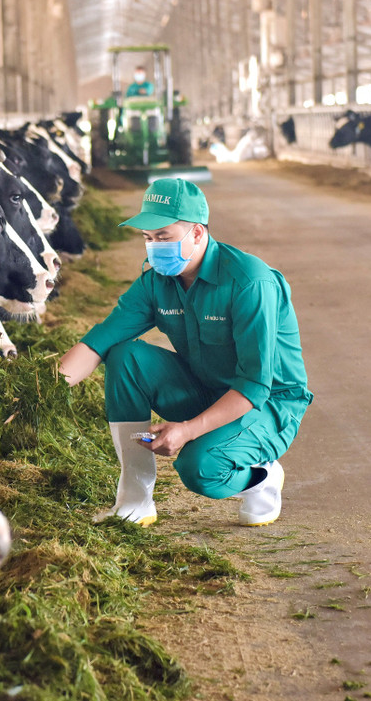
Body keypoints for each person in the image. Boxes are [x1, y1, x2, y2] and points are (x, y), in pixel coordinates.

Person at [59, 178, 312, 527]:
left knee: (199, 468)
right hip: (205, 387)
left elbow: (255, 385)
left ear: (196, 233)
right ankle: (134, 499)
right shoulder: (157, 282)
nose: (154, 247)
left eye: (163, 236)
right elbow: (99, 341)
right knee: (124, 357)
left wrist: (187, 430)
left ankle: (262, 478)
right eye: (147, 239)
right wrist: (45, 388)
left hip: (268, 404)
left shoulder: (250, 282)